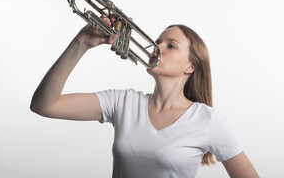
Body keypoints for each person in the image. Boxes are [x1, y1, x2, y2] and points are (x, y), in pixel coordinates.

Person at [30, 15, 259, 178]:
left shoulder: (208, 120)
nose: (156, 47)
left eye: (171, 46)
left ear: (190, 66)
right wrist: (80, 43)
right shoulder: (122, 102)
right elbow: (45, 105)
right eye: (158, 41)